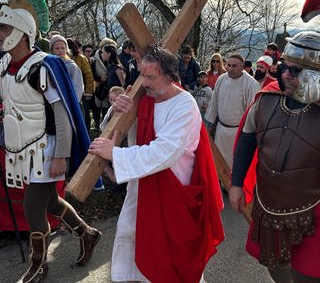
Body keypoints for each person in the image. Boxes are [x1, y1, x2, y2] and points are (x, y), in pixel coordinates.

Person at [89, 45, 224, 283]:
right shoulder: (146, 98)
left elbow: (165, 151)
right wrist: (116, 112)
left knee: (172, 263)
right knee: (132, 246)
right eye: (142, 75)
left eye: (151, 77)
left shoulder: (185, 105)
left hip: (173, 198)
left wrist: (116, 155)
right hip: (141, 191)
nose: (145, 82)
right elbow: (125, 127)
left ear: (170, 76)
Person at [0, 0, 101, 283]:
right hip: (18, 147)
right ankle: (87, 234)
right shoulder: (3, 65)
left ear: (21, 31)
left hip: (46, 148)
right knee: (51, 203)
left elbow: (62, 114)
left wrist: (61, 155)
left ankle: (38, 266)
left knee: (33, 206)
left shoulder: (44, 65)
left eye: (3, 27)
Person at [229, 31, 320, 283]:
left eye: (297, 71)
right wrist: (236, 184)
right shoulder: (266, 100)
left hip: (315, 211)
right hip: (268, 206)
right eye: (284, 68)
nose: (286, 75)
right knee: (275, 266)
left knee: (308, 274)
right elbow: (246, 140)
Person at [204, 53, 260, 169]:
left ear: (242, 66)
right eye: (228, 65)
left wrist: (247, 136)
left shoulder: (251, 84)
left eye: (234, 66)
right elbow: (214, 103)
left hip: (238, 133)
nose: (230, 68)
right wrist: (208, 125)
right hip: (220, 130)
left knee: (235, 165)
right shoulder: (221, 79)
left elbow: (252, 113)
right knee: (217, 164)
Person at [67, 38, 94, 132]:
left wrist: (89, 92)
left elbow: (89, 76)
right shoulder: (64, 59)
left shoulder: (81, 58)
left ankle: (86, 131)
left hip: (82, 92)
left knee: (85, 113)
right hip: (70, 91)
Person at [49, 34, 84, 102]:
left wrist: (72, 103)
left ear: (66, 50)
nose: (60, 50)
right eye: (57, 48)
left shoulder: (72, 66)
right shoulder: (49, 66)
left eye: (63, 48)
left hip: (68, 103)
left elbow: (77, 88)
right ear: (52, 50)